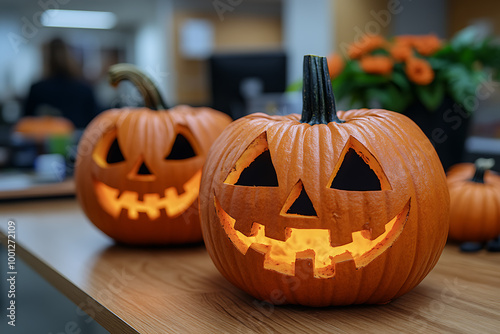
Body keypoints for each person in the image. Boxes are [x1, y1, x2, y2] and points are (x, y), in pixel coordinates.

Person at [24, 38, 99, 128]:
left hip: (44, 141)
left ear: (46, 59)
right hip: (79, 141)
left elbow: (26, 123)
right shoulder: (85, 89)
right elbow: (95, 122)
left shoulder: (37, 89)